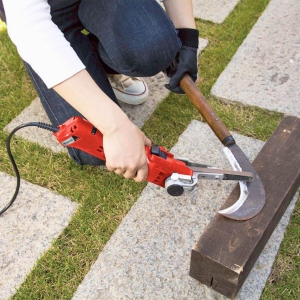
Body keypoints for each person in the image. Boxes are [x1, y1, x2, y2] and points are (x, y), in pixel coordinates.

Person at [0, 0, 199, 182]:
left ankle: (98, 64)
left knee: (154, 49)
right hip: (44, 12)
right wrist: (115, 127)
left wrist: (187, 37)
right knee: (94, 147)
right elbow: (31, 29)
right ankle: (77, 70)